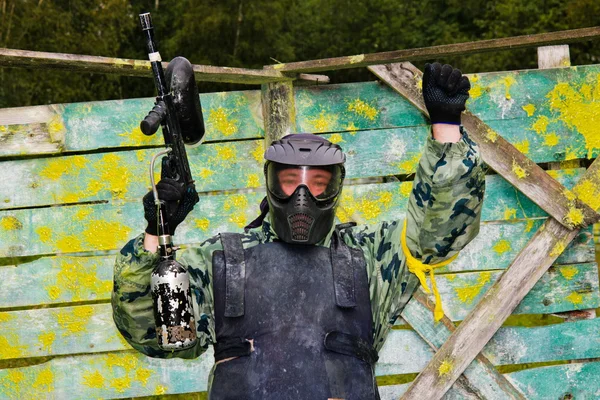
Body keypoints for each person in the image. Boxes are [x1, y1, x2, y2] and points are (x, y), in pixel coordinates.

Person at [112, 62, 486, 399]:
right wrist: (156, 232)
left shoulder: (370, 257)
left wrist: (446, 128)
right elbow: (156, 335)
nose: (302, 197)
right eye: (290, 181)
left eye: (318, 183)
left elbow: (441, 232)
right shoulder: (224, 260)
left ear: (336, 188)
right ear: (270, 184)